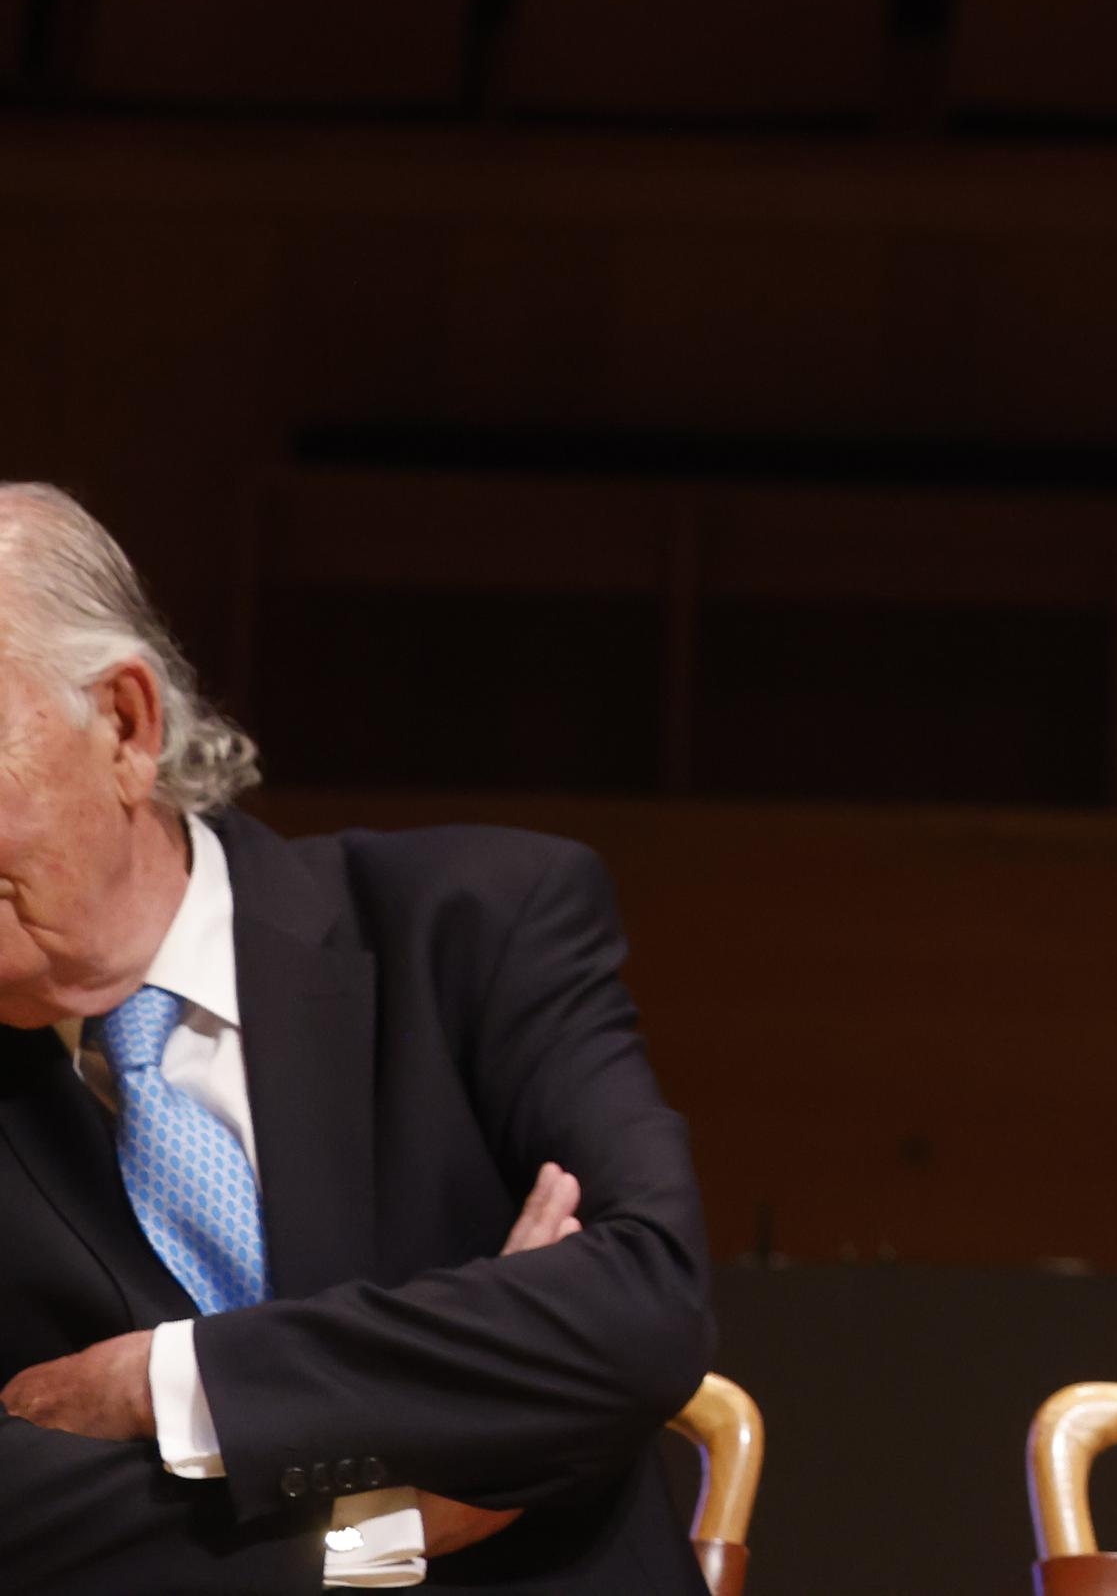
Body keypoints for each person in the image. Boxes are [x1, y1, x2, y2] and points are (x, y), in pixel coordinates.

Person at [0, 487, 711, 1591]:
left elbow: (637, 1308)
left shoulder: (478, 921)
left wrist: (171, 1385)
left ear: (127, 726)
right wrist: (398, 1516)